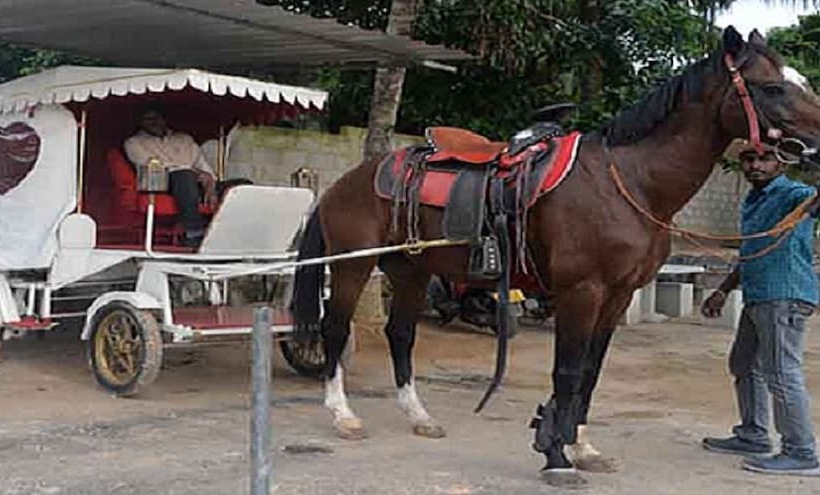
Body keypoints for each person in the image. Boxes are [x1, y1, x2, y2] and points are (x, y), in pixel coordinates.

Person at [701, 140, 820, 476]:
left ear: (780, 164)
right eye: (749, 159)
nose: (755, 164)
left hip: (785, 294)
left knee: (781, 373)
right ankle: (753, 434)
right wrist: (723, 290)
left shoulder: (795, 194)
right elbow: (750, 252)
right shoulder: (753, 201)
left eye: (765, 158)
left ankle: (801, 451)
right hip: (759, 294)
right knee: (744, 364)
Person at [124, 106, 250, 246]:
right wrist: (197, 174)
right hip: (160, 182)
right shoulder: (133, 142)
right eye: (148, 119)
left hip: (195, 182)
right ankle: (194, 232)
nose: (153, 122)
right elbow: (154, 165)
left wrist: (211, 185)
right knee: (184, 175)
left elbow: (202, 165)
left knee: (242, 185)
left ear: (164, 119)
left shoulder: (184, 139)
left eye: (156, 118)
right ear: (141, 122)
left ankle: (238, 231)